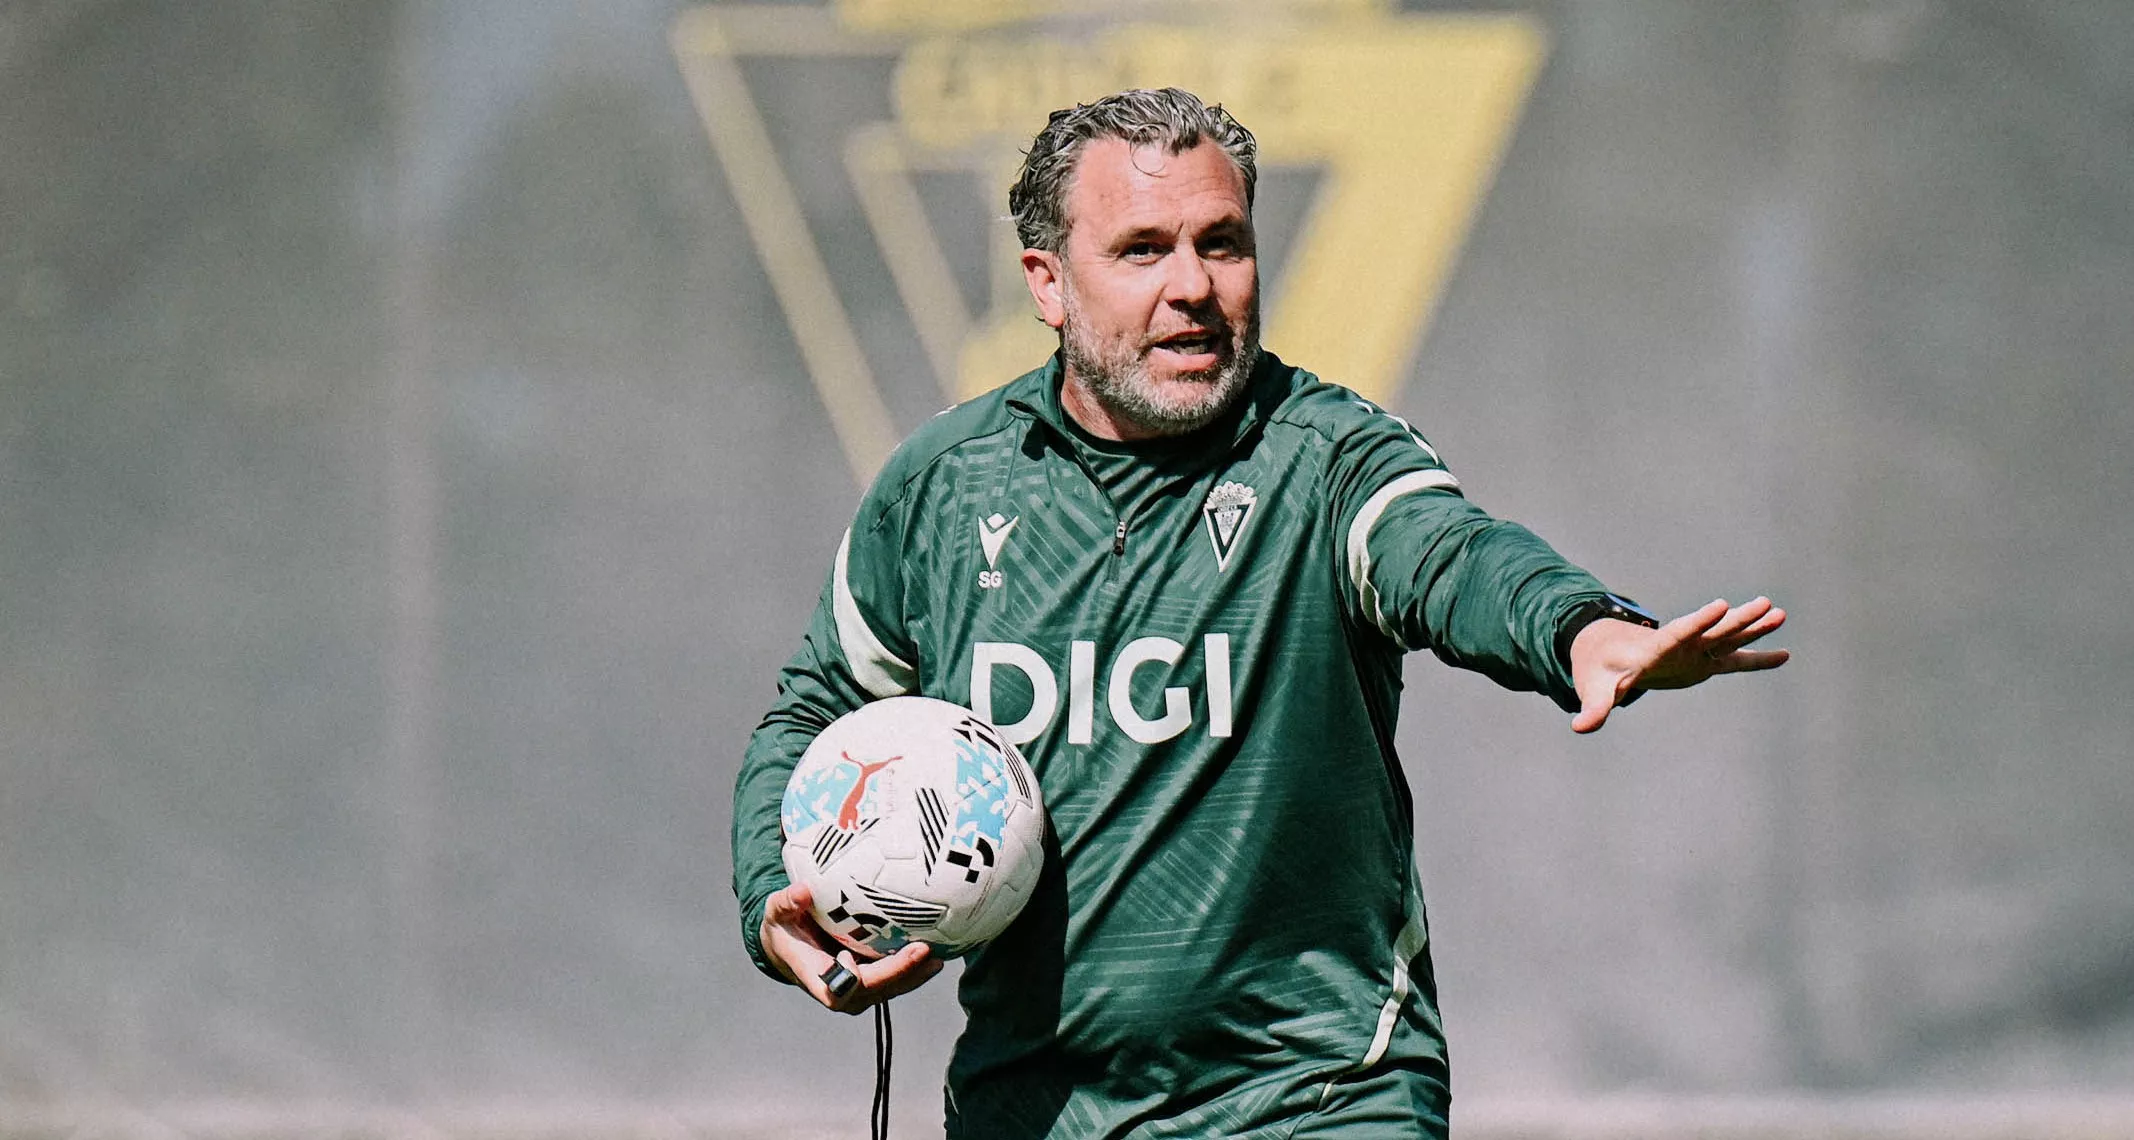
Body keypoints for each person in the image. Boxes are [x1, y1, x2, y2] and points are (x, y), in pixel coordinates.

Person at [732, 88, 1787, 1139]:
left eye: (1222, 244)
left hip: (1319, 1099)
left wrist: (1582, 630)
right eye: (1143, 250)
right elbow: (813, 714)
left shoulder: (1324, 457)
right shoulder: (942, 487)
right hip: (1037, 1108)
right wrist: (782, 901)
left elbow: (1451, 555)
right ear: (1047, 284)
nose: (1193, 286)